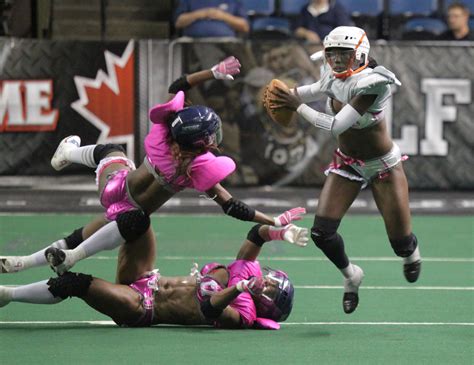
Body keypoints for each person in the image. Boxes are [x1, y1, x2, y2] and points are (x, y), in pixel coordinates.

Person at [0, 56, 305, 281]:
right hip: (127, 215)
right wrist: (274, 220)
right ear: (204, 141)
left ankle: (22, 261)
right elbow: (232, 207)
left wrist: (212, 72)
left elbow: (178, 85)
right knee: (111, 229)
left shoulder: (165, 136)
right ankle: (69, 258)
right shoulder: (197, 169)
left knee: (109, 152)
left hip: (115, 187)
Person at [267, 26, 422, 314]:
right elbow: (316, 89)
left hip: (382, 165)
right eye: (333, 53)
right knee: (321, 233)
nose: (336, 60)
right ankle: (352, 276)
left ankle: (411, 253)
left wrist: (296, 105)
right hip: (347, 162)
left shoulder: (374, 83)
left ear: (360, 54)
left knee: (400, 242)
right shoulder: (332, 71)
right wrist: (286, 94)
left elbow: (337, 124)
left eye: (344, 54)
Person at [0, 222, 308, 329]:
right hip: (146, 276)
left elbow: (209, 306)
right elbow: (256, 235)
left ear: (267, 307)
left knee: (76, 283)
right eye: (271, 279)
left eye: (270, 290)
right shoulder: (248, 270)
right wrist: (281, 233)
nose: (265, 282)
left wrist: (240, 287)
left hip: (141, 305)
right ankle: (71, 251)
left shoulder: (244, 314)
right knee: (137, 218)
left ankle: (7, 295)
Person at [174, 0, 249, 38]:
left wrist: (223, 16)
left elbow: (244, 26)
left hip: (225, 45)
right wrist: (201, 14)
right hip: (192, 45)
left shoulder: (233, 1)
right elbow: (178, 22)